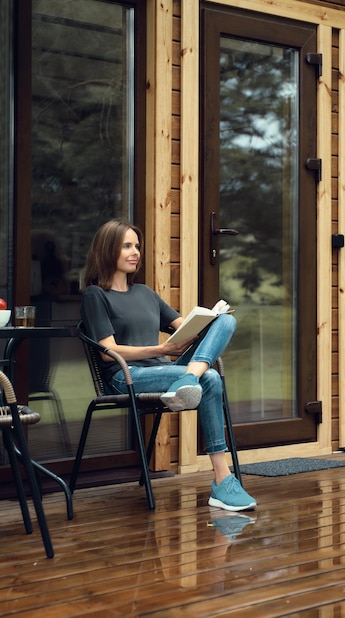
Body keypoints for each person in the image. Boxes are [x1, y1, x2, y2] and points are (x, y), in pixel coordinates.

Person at [81, 219, 256, 512]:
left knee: (226, 320)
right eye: (126, 246)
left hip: (166, 373)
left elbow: (185, 328)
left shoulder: (146, 294)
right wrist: (161, 349)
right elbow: (108, 353)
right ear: (108, 249)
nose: (135, 252)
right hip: (127, 376)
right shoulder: (96, 295)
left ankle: (189, 381)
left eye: (137, 246)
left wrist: (208, 325)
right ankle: (223, 481)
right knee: (209, 378)